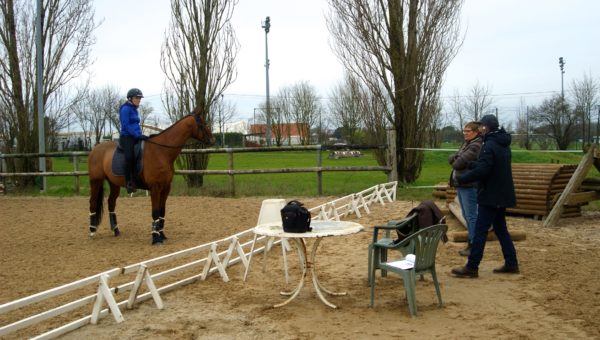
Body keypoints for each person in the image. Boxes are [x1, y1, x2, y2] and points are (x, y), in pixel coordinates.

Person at [451, 114, 519, 278]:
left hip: (491, 195)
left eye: (482, 126)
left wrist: (462, 178)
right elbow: (491, 166)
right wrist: (473, 164)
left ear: (487, 128)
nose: (480, 129)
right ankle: (511, 263)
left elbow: (484, 171)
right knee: (501, 230)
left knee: (480, 231)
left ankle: (472, 266)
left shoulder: (489, 145)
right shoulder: (502, 144)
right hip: (502, 194)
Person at [448, 121, 482, 256]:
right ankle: (471, 242)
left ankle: (474, 245)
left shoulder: (475, 145)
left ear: (475, 132)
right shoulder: (467, 144)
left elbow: (458, 163)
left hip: (469, 185)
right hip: (462, 184)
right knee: (467, 216)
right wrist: (456, 157)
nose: (465, 133)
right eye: (464, 131)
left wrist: (456, 158)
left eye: (468, 131)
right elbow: (454, 157)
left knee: (471, 216)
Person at [119, 88, 148, 194]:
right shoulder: (125, 109)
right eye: (137, 98)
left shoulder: (134, 109)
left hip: (136, 136)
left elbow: (135, 125)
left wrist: (140, 135)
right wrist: (137, 135)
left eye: (140, 98)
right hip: (127, 137)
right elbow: (126, 126)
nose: (139, 100)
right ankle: (128, 182)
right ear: (130, 98)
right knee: (129, 157)